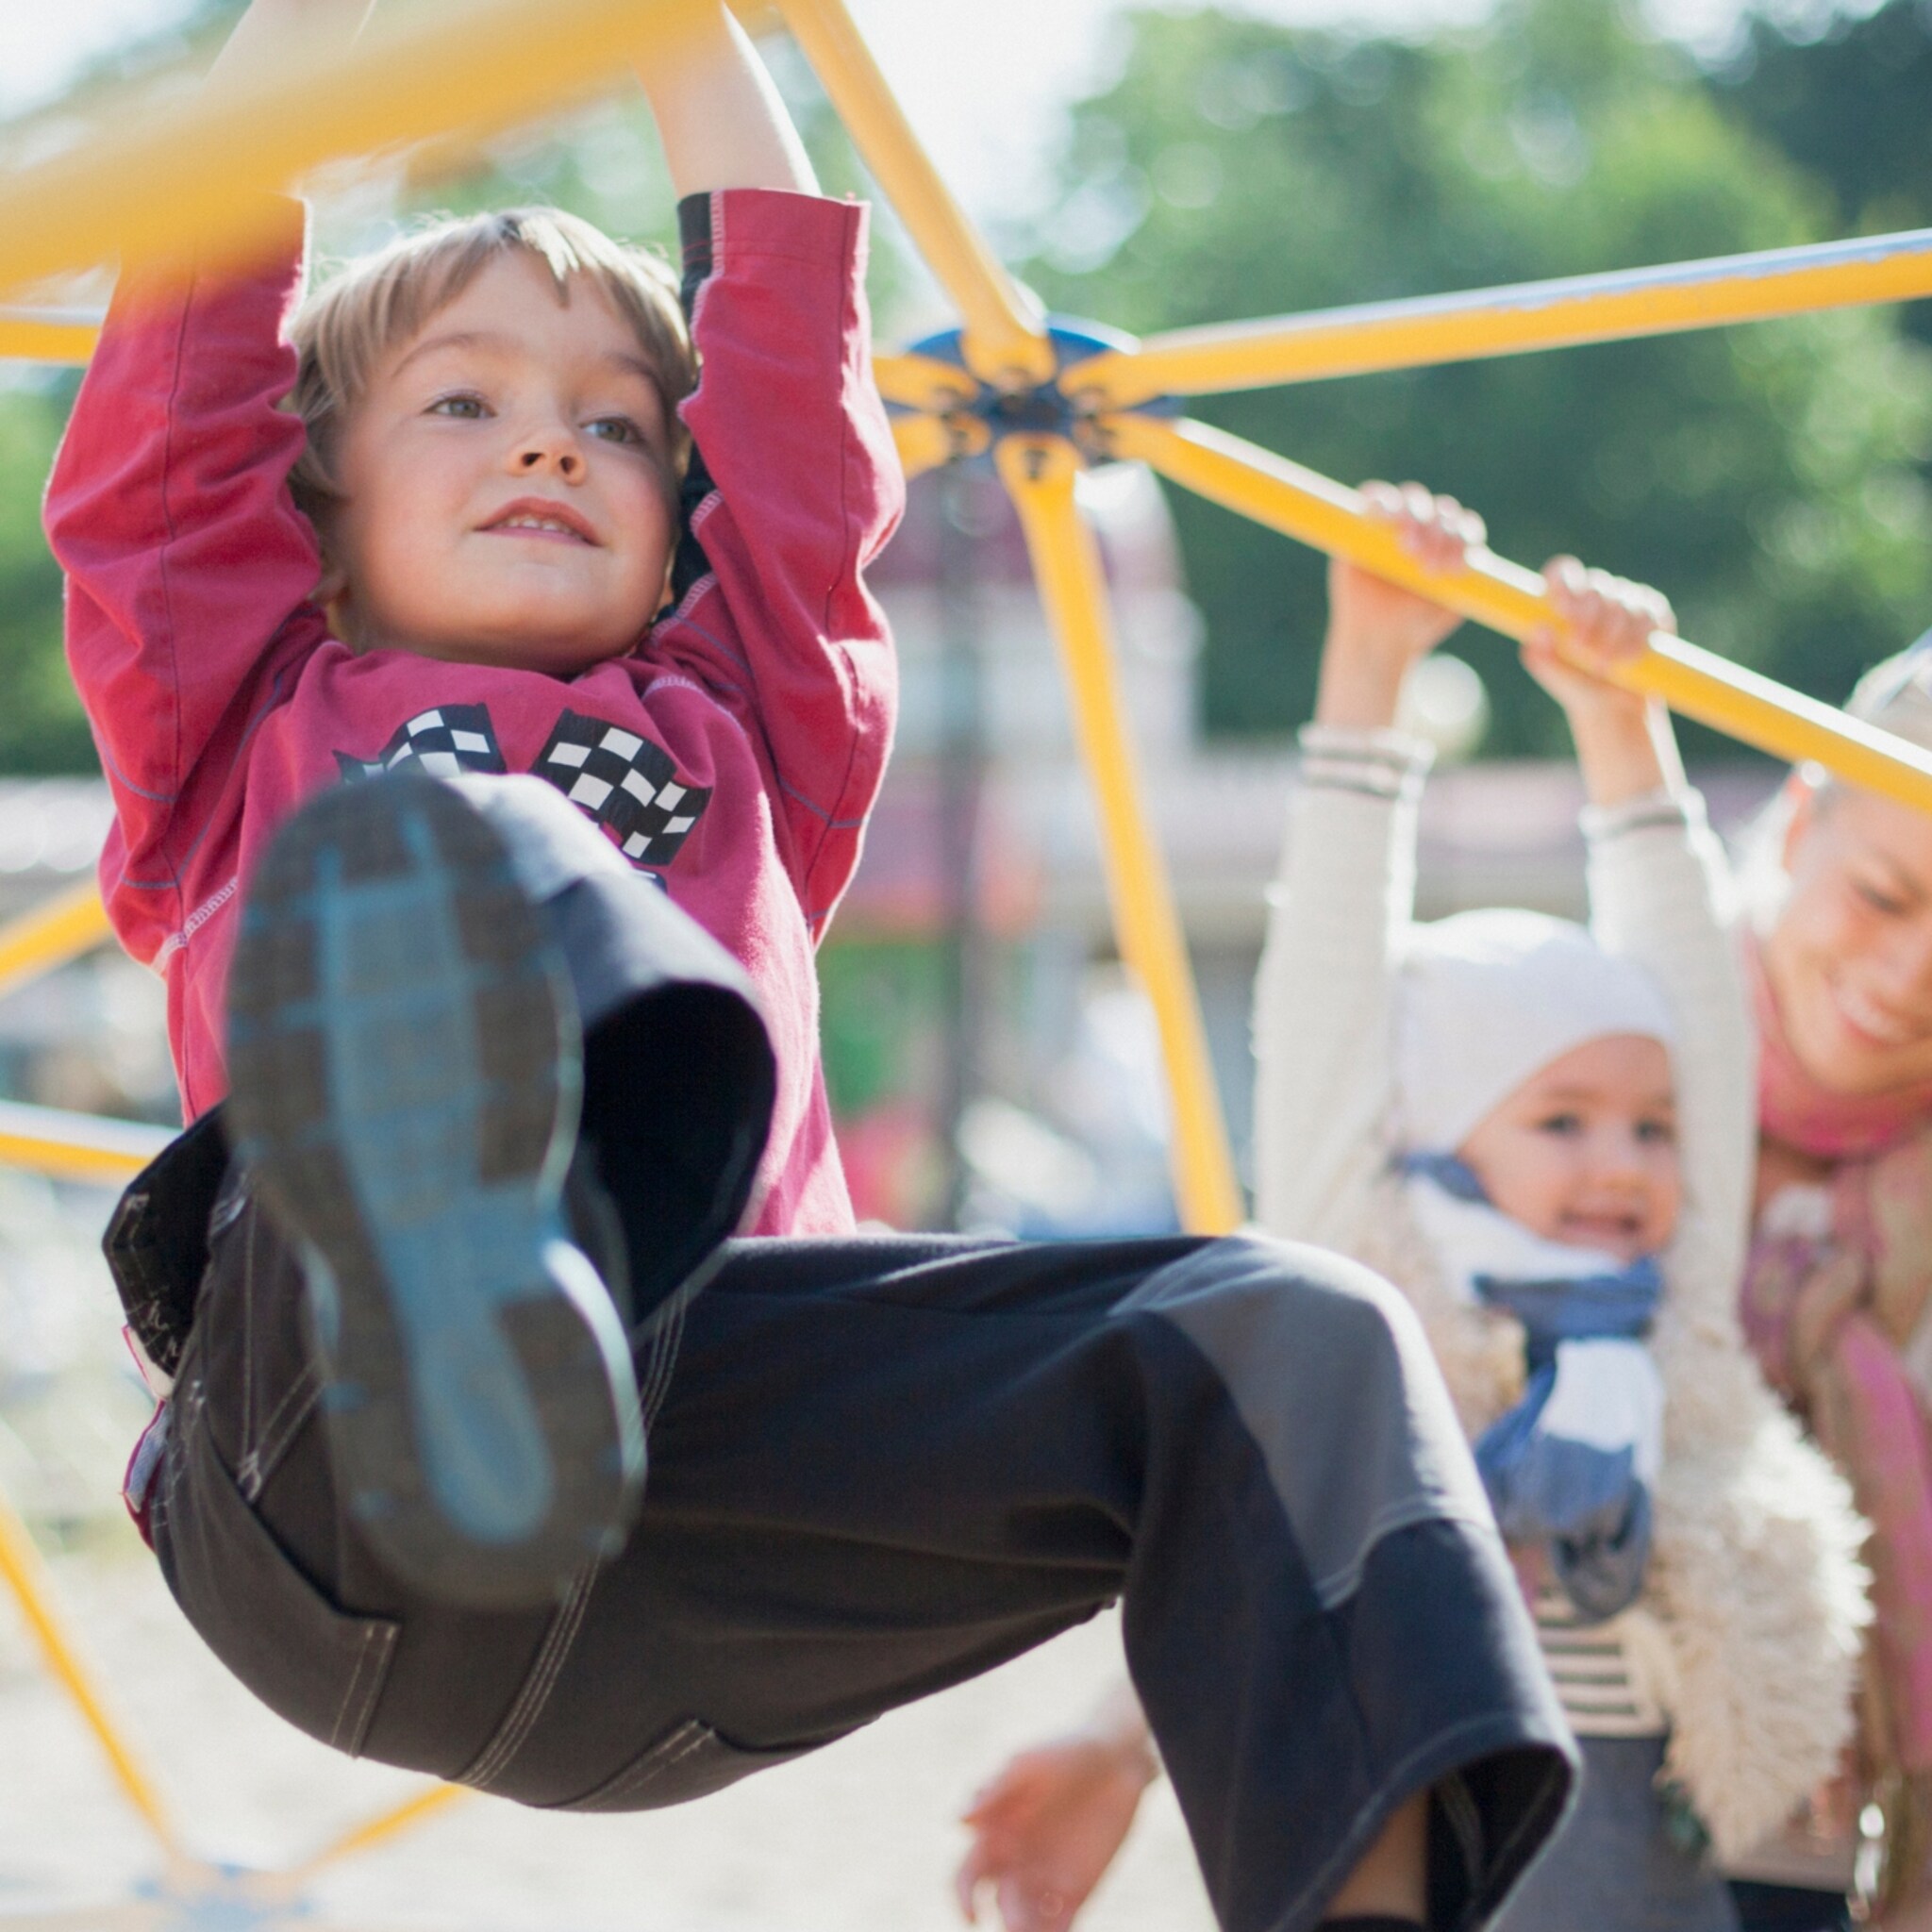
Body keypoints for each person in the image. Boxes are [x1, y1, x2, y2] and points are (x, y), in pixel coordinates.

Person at [42, 5, 1578, 1926]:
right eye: (463, 399)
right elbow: (172, 399)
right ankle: (471, 1296)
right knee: (448, 840)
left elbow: (780, 368)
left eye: (617, 422)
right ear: (314, 512)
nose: (549, 432)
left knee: (1293, 1333)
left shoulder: (746, 733)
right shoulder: (239, 711)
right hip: (328, 1478)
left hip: (704, 1521)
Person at [956, 490, 1868, 1932]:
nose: (1624, 1163)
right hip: (1434, 1855)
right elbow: (1322, 999)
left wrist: (1623, 734)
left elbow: (1699, 1015)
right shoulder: (1384, 1313)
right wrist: (1367, 670)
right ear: (1435, 1138)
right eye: (1559, 1122)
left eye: (1649, 1127)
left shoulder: (1669, 1315)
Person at [1727, 639, 1932, 1932]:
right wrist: (1121, 1739)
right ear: (1800, 823)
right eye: (1886, 893)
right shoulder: (1598, 1074)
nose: (1912, 977)